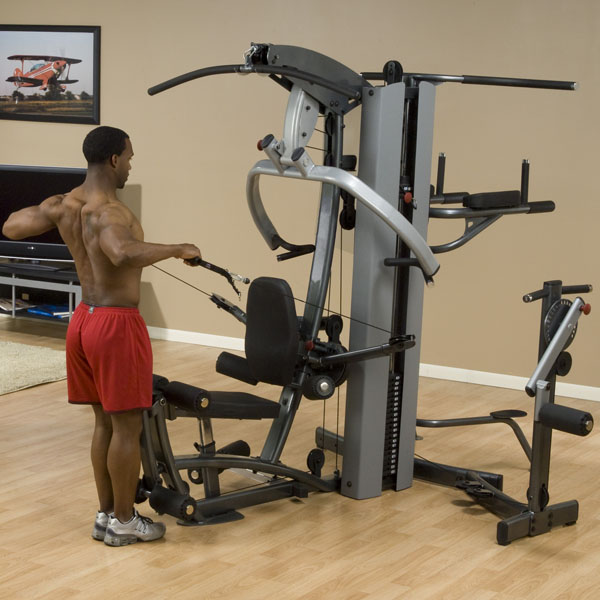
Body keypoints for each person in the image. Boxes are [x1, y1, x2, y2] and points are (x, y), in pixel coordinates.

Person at [2, 126, 201, 546]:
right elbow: (120, 251)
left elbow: (12, 228)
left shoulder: (64, 204)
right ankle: (125, 521)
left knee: (104, 423)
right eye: (129, 158)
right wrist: (177, 248)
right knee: (127, 427)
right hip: (116, 324)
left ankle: (107, 514)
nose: (130, 165)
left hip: (84, 320)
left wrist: (53, 211)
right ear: (113, 159)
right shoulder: (109, 211)